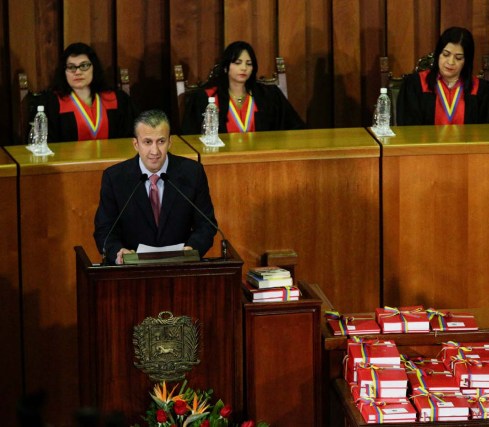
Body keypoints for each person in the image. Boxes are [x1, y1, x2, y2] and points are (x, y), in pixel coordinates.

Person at [94, 109, 217, 265]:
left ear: (170, 142)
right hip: (132, 271)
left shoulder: (192, 173)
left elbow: (206, 224)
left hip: (180, 267)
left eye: (161, 141)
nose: (155, 151)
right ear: (135, 144)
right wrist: (118, 252)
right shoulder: (115, 178)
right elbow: (104, 230)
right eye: (147, 142)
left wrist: (192, 249)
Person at [181, 40, 305, 134]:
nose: (244, 68)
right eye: (237, 63)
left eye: (249, 64)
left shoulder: (269, 95)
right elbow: (190, 137)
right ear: (225, 67)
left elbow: (296, 128)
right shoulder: (205, 98)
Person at [396, 27, 489, 125]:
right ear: (438, 54)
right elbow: (408, 129)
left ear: (466, 61)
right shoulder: (415, 85)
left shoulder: (481, 90)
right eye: (446, 54)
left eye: (458, 58)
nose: (451, 62)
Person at [39, 42, 136, 142]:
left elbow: (129, 140)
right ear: (64, 72)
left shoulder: (117, 100)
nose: (78, 72)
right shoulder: (53, 104)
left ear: (94, 68)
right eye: (71, 67)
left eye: (84, 66)